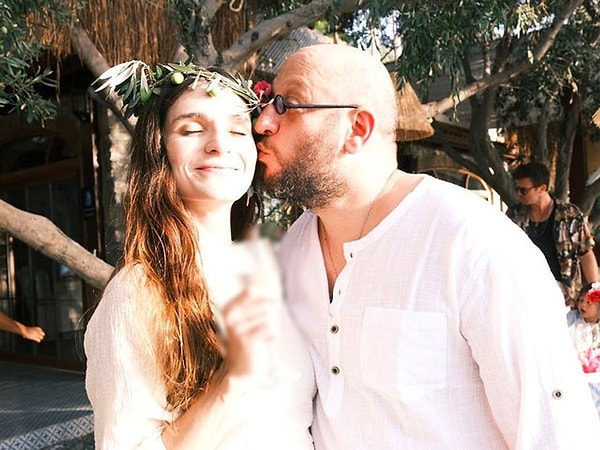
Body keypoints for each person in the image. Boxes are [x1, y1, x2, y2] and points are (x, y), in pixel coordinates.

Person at [254, 44, 600, 449]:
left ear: (357, 129)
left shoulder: (473, 245)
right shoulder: (294, 248)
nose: (263, 122)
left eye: (287, 105)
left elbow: (557, 434)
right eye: (267, 103)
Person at [84, 61, 314, 449]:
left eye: (237, 130)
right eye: (192, 129)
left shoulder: (273, 270)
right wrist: (229, 383)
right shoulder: (138, 293)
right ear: (158, 151)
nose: (219, 144)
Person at [507, 162, 599, 307]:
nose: (518, 194)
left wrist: (595, 294)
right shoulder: (515, 215)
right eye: (516, 189)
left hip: (564, 295)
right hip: (525, 293)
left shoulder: (569, 215)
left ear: (542, 188)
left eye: (523, 190)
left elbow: (586, 253)